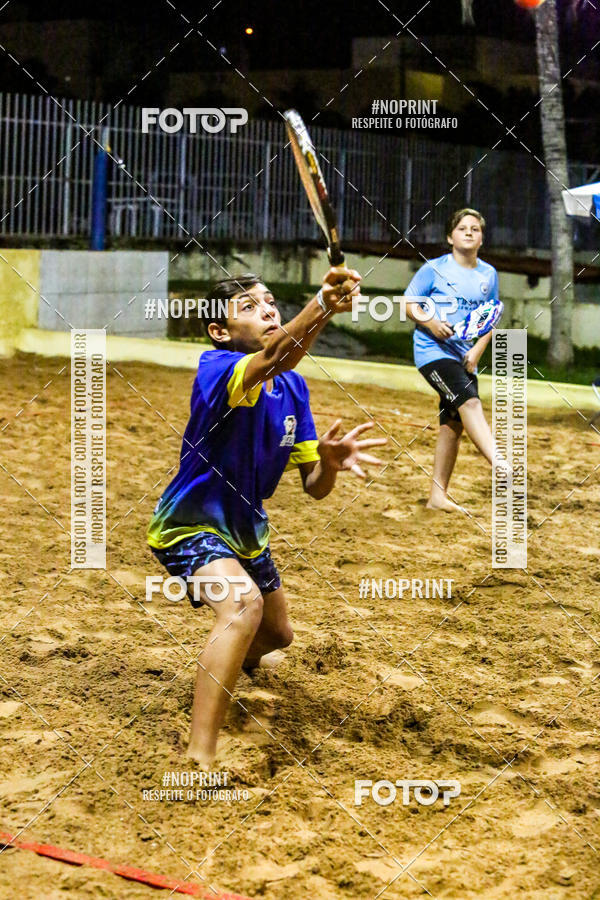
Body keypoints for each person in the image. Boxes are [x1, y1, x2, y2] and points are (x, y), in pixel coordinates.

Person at [147, 268, 386, 765]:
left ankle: (225, 665)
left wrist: (329, 463)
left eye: (271, 301)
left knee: (277, 635)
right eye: (251, 306)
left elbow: (315, 489)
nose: (269, 310)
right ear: (219, 329)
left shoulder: (293, 388)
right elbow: (277, 354)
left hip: (246, 530)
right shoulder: (217, 368)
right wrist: (322, 304)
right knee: (241, 607)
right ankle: (199, 756)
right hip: (189, 522)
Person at [404, 207, 504, 512]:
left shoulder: (489, 274)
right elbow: (408, 303)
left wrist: (476, 351)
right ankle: (501, 464)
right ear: (450, 236)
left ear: (482, 239)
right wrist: (431, 322)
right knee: (470, 403)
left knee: (452, 424)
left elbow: (491, 317)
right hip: (432, 353)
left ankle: (437, 496)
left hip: (463, 356)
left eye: (475, 228)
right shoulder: (434, 269)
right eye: (463, 228)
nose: (469, 232)